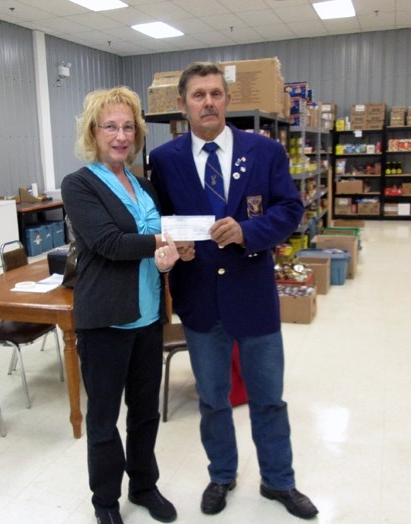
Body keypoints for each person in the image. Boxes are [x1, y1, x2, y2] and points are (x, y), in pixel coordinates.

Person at [148, 62, 319, 520]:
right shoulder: (165, 161)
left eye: (216, 94)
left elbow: (290, 210)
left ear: (227, 100)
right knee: (212, 399)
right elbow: (159, 222)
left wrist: (247, 232)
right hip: (200, 299)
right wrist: (173, 246)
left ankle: (279, 481)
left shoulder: (263, 152)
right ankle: (221, 475)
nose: (208, 102)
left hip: (254, 296)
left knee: (268, 397)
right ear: (183, 105)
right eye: (199, 95)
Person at [61, 86, 192, 524]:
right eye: (110, 127)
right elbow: (108, 243)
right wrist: (163, 240)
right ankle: (105, 503)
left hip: (149, 316)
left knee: (144, 412)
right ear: (93, 133)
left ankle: (143, 485)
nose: (120, 136)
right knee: (103, 419)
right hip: (104, 322)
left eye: (128, 127)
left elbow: (156, 250)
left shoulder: (143, 184)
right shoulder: (79, 184)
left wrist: (176, 253)